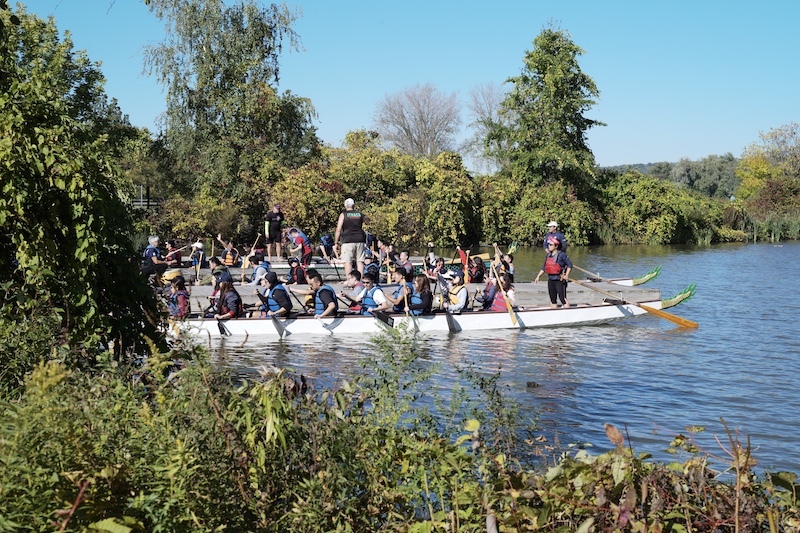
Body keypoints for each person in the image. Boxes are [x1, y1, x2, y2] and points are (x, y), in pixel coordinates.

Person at [535, 236, 573, 308]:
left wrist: (567, 275)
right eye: (548, 244)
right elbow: (544, 267)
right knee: (553, 299)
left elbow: (570, 265)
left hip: (560, 280)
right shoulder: (548, 255)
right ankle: (553, 312)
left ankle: (568, 312)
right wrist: (538, 276)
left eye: (551, 245)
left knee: (562, 299)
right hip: (551, 279)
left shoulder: (562, 255)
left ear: (556, 246)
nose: (549, 246)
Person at [334, 198, 368, 278]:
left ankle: (350, 281)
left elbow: (338, 230)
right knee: (360, 261)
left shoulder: (343, 215)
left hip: (347, 240)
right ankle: (360, 281)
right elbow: (368, 220)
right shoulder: (359, 214)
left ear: (345, 206)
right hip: (360, 239)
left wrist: (336, 242)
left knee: (347, 261)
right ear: (353, 205)